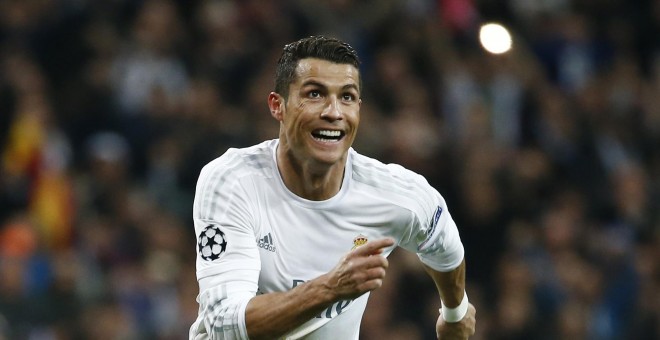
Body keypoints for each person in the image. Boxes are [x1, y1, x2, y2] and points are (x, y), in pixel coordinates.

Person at [189, 35, 477, 340]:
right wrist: (330, 288)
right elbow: (224, 325)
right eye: (315, 94)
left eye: (347, 97)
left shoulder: (398, 194)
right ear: (278, 106)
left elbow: (444, 246)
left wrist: (455, 312)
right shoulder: (233, 182)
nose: (334, 112)